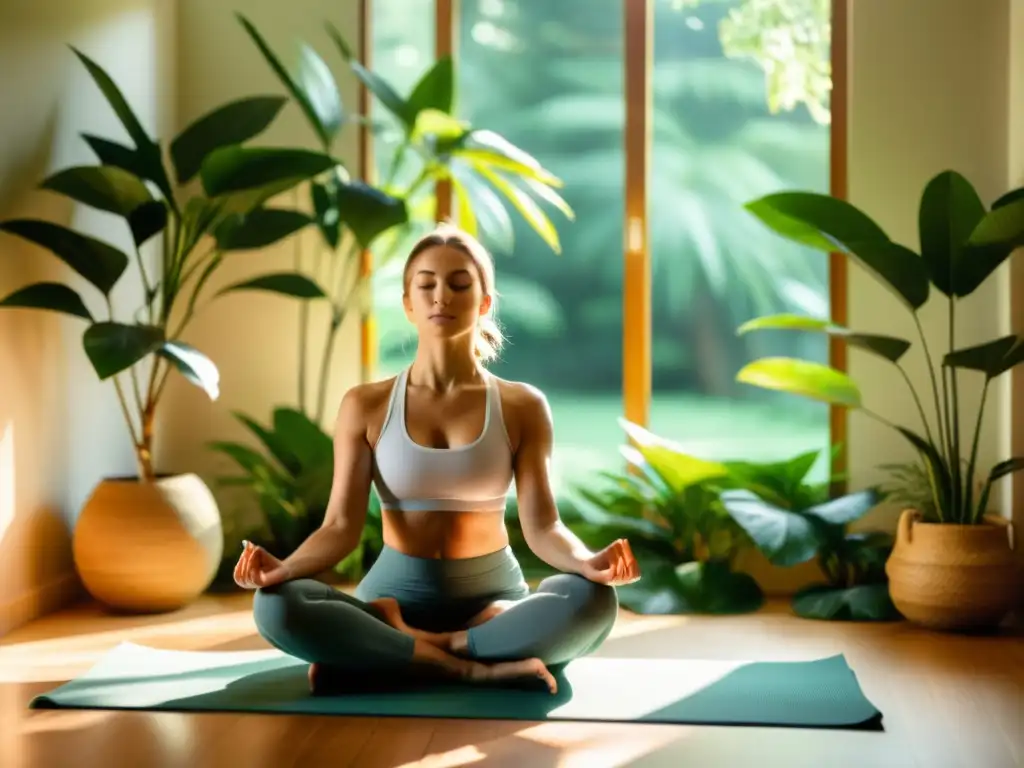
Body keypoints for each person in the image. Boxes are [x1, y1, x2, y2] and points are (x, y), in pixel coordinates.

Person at [232, 223, 641, 696]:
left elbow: (543, 527)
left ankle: (399, 650)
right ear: (408, 303)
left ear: (484, 301)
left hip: (496, 599)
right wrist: (285, 568)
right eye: (426, 285)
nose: (441, 296)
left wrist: (589, 563)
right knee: (276, 605)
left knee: (592, 601)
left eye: (459, 284)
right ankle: (468, 665)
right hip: (393, 596)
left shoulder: (522, 405)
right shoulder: (366, 405)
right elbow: (339, 526)